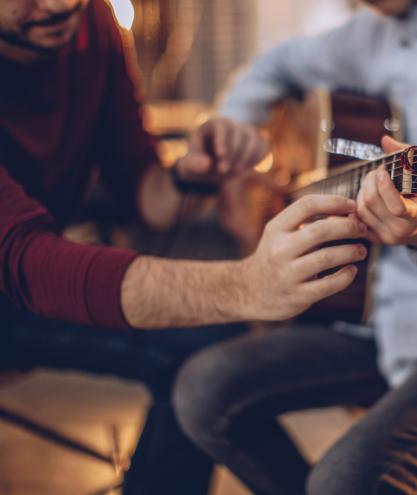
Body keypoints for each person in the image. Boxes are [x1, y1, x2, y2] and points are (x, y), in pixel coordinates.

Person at [172, 0, 417, 493]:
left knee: (342, 483)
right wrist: (239, 122)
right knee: (203, 389)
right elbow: (274, 64)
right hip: (377, 324)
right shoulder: (363, 35)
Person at [0, 0, 368, 492]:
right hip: (16, 282)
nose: (59, 4)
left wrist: (190, 178)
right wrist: (246, 284)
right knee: (210, 339)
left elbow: (143, 193)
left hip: (24, 283)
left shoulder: (94, 23)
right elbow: (26, 262)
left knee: (211, 350)